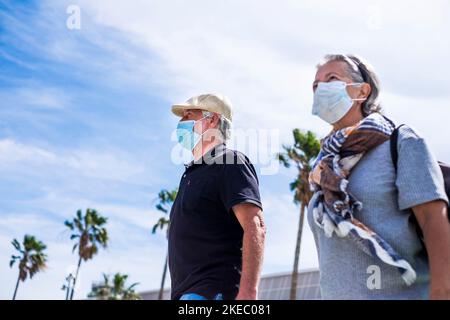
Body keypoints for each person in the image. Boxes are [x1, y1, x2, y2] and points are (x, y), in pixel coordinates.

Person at [307, 54, 450, 299]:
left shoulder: (402, 141)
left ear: (362, 90)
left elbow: (432, 219)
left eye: (332, 78)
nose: (321, 88)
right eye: (316, 85)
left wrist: (442, 291)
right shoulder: (324, 166)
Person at [168, 93, 266, 300]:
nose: (181, 122)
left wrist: (248, 292)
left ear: (212, 119)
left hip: (213, 291)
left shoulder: (230, 161)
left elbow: (255, 226)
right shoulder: (192, 173)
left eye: (188, 116)